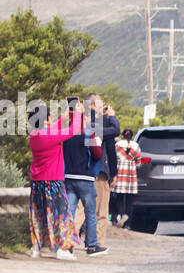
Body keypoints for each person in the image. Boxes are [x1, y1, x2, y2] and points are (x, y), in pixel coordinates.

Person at [28, 99, 82, 260]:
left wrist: (64, 118)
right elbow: (73, 130)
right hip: (53, 182)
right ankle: (63, 248)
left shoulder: (35, 135)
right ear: (46, 119)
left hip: (37, 182)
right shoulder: (47, 136)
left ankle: (36, 248)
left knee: (38, 215)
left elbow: (52, 129)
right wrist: (78, 113)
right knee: (61, 215)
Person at [64, 96, 107, 256]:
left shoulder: (66, 131)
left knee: (70, 212)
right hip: (85, 177)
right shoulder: (87, 132)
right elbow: (97, 154)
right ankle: (92, 246)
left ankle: (67, 245)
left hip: (68, 176)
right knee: (90, 213)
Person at [86, 95, 119, 240]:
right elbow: (112, 143)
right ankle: (97, 242)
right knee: (101, 211)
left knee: (81, 210)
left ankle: (69, 244)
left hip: (82, 172)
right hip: (99, 172)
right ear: (94, 103)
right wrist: (111, 117)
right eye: (101, 101)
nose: (104, 103)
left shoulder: (81, 120)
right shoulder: (103, 122)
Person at [111, 129, 141, 227]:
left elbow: (113, 159)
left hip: (119, 174)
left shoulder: (117, 146)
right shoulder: (136, 147)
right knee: (129, 200)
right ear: (132, 137)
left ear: (123, 136)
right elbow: (138, 163)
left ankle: (122, 214)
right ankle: (128, 225)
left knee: (119, 198)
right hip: (131, 176)